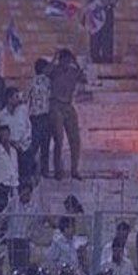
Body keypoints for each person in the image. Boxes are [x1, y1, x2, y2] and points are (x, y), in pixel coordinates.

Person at [47, 49, 86, 180]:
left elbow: (84, 78)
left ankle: (74, 170)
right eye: (64, 60)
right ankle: (58, 170)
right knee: (59, 139)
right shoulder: (55, 70)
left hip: (68, 106)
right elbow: (44, 73)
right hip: (56, 105)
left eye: (68, 60)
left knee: (75, 140)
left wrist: (76, 63)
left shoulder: (73, 72)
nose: (66, 63)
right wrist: (54, 58)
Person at [0, 87, 32, 179]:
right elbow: (2, 134)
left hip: (24, 149)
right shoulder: (2, 115)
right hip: (10, 150)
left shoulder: (23, 110)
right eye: (16, 97)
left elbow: (28, 127)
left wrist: (23, 144)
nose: (19, 99)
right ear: (9, 99)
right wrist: (12, 144)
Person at [29, 58, 51, 177]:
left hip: (34, 117)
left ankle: (31, 168)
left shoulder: (31, 82)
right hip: (44, 116)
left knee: (34, 144)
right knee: (44, 145)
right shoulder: (48, 81)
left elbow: (27, 99)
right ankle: (44, 170)